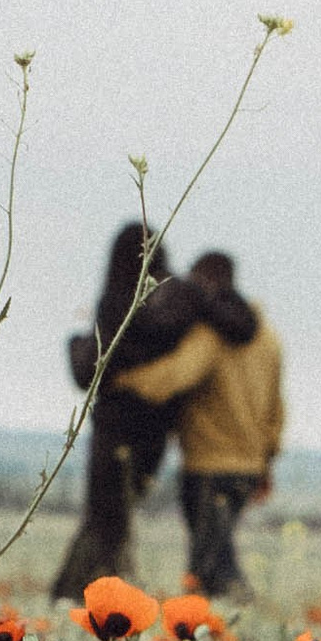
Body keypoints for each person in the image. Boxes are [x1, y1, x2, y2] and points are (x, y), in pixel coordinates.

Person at [48, 226, 208, 600]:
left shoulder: (118, 299)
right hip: (156, 428)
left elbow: (91, 367)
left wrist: (75, 345)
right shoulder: (185, 300)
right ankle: (95, 595)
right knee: (115, 519)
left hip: (115, 425)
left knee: (103, 519)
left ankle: (83, 596)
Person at [114, 251, 283, 597]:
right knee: (213, 552)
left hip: (209, 465)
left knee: (209, 566)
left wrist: (117, 376)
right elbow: (276, 411)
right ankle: (210, 621)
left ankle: (228, 620)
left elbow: (173, 378)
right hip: (248, 468)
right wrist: (265, 462)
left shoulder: (210, 336)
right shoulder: (269, 340)